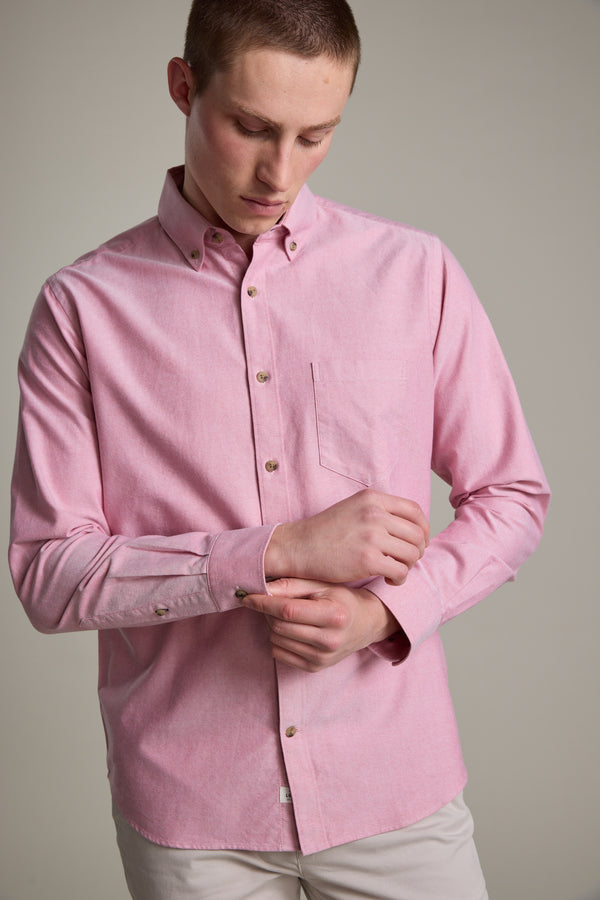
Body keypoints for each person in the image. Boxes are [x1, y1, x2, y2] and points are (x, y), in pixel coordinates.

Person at [9, 1, 550, 897]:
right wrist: (273, 551)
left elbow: (513, 497)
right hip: (193, 816)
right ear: (185, 87)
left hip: (394, 787)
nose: (278, 171)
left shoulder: (414, 275)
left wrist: (386, 615)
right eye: (252, 127)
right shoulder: (80, 309)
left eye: (315, 135)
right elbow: (49, 574)